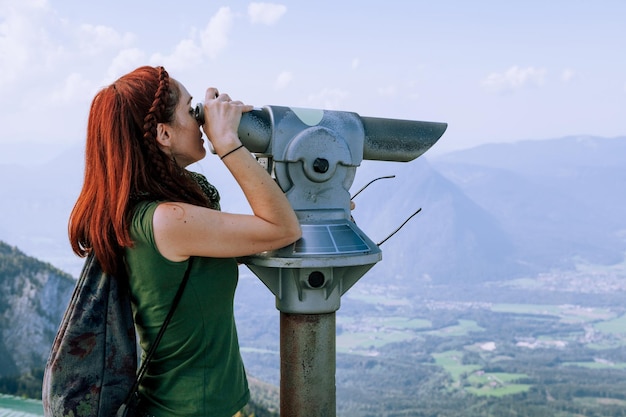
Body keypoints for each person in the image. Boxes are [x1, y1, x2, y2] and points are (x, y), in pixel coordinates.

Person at [68, 65, 301, 417]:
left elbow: (261, 234)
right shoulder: (167, 220)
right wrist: (228, 143)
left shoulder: (149, 213)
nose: (202, 120)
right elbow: (282, 229)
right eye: (193, 111)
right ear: (163, 133)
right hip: (184, 410)